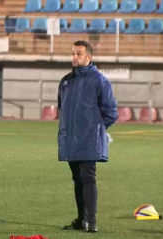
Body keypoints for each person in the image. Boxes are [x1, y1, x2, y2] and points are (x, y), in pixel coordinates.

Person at [57, 40, 118, 233]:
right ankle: (81, 220)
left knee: (88, 178)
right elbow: (62, 107)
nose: (74, 57)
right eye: (73, 53)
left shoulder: (99, 80)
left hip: (89, 139)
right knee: (77, 179)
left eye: (79, 54)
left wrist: (97, 129)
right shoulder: (66, 80)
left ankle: (91, 222)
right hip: (71, 139)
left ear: (88, 58)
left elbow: (111, 112)